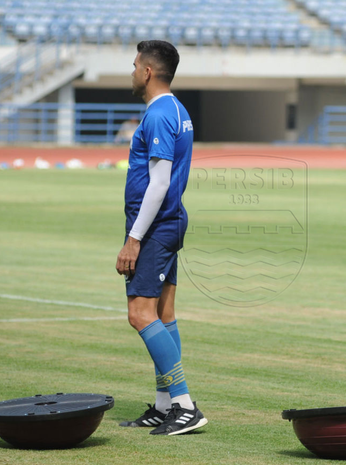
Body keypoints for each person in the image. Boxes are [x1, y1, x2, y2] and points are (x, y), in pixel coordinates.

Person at [115, 40, 206, 436]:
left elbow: (160, 182)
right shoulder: (177, 109)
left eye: (135, 65)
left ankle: (185, 405)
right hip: (168, 221)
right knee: (163, 314)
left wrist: (134, 238)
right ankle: (165, 404)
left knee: (140, 313)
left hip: (155, 226)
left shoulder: (157, 116)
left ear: (148, 72)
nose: (132, 71)